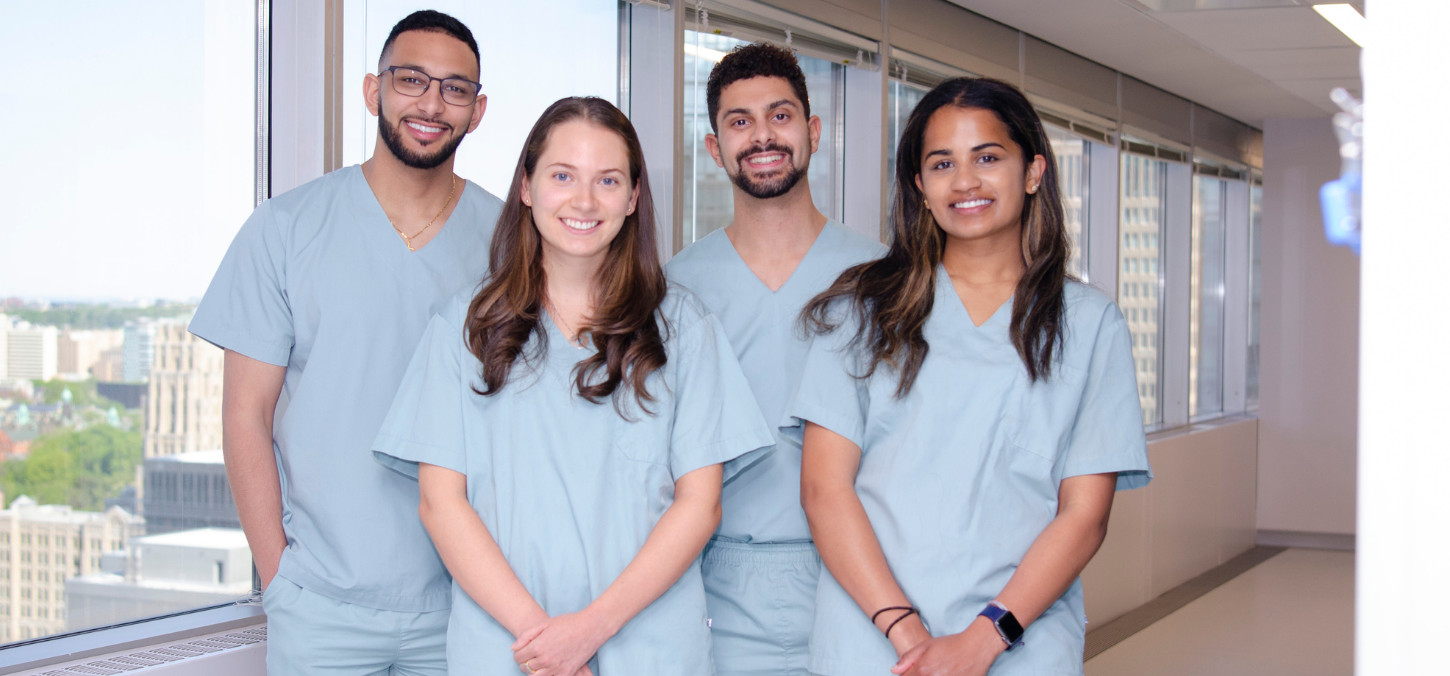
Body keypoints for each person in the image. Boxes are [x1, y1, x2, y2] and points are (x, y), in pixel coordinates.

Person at [372, 96, 773, 676]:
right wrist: (545, 644)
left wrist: (587, 632)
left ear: (633, 197)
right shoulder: (466, 326)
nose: (584, 201)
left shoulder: (683, 327)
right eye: (563, 176)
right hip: (508, 651)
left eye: (608, 180)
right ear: (527, 186)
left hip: (650, 651)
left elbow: (699, 505)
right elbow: (441, 505)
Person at [787, 77, 1153, 676]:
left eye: (987, 157)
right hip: (873, 642)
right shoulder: (856, 313)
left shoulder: (1089, 326)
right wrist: (910, 637)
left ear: (1033, 171)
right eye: (941, 163)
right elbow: (824, 491)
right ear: (919, 186)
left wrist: (984, 640)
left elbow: (1084, 515)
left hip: (1021, 642)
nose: (965, 181)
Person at [188, 10, 501, 675]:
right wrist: (281, 580)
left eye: (454, 88)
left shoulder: (511, 243)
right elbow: (247, 415)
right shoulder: (285, 228)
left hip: (469, 604)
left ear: (477, 111)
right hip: (321, 606)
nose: (430, 102)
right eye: (411, 79)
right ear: (372, 91)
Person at [665, 43, 883, 676]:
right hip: (717, 581)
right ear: (714, 148)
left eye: (780, 115)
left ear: (813, 132)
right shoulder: (676, 287)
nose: (762, 135)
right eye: (739, 121)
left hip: (858, 571)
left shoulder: (879, 277)